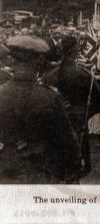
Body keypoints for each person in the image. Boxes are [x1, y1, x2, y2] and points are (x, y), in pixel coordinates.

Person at [0, 35, 82, 183]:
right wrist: (75, 164)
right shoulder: (49, 96)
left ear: (12, 61)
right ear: (38, 62)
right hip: (41, 169)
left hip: (6, 168)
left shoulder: (1, 93)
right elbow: (66, 138)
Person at [55, 36, 100, 173]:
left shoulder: (51, 74)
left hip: (56, 124)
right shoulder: (82, 74)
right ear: (75, 50)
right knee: (77, 164)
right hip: (77, 124)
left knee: (61, 164)